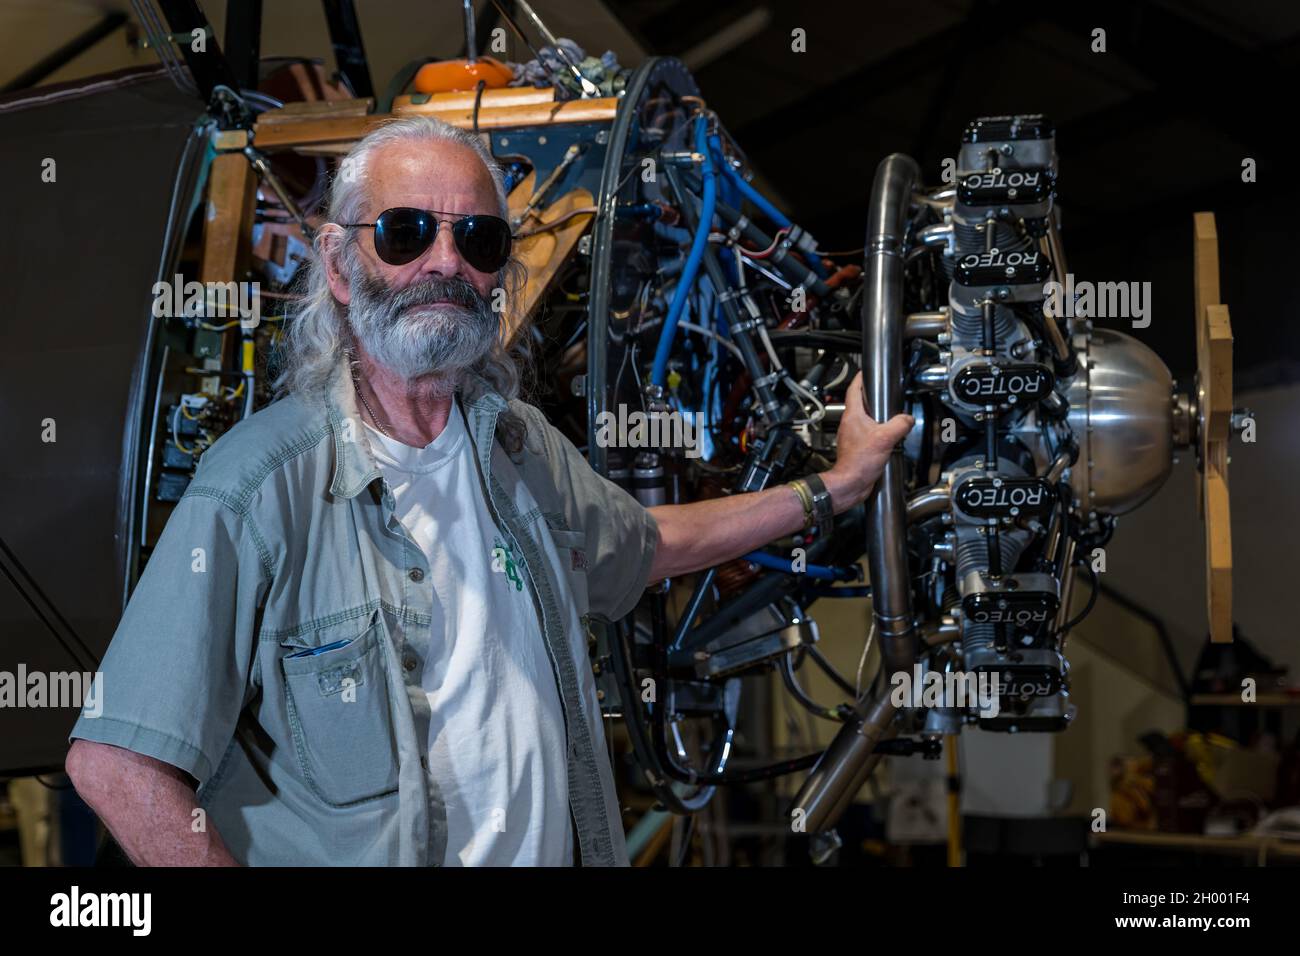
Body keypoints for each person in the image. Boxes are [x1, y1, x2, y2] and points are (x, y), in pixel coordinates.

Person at [65, 116, 913, 866]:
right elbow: (115, 764)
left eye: (476, 239)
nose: (444, 263)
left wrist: (834, 487)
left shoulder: (520, 446)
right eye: (403, 234)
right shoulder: (258, 488)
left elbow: (649, 546)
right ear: (336, 263)